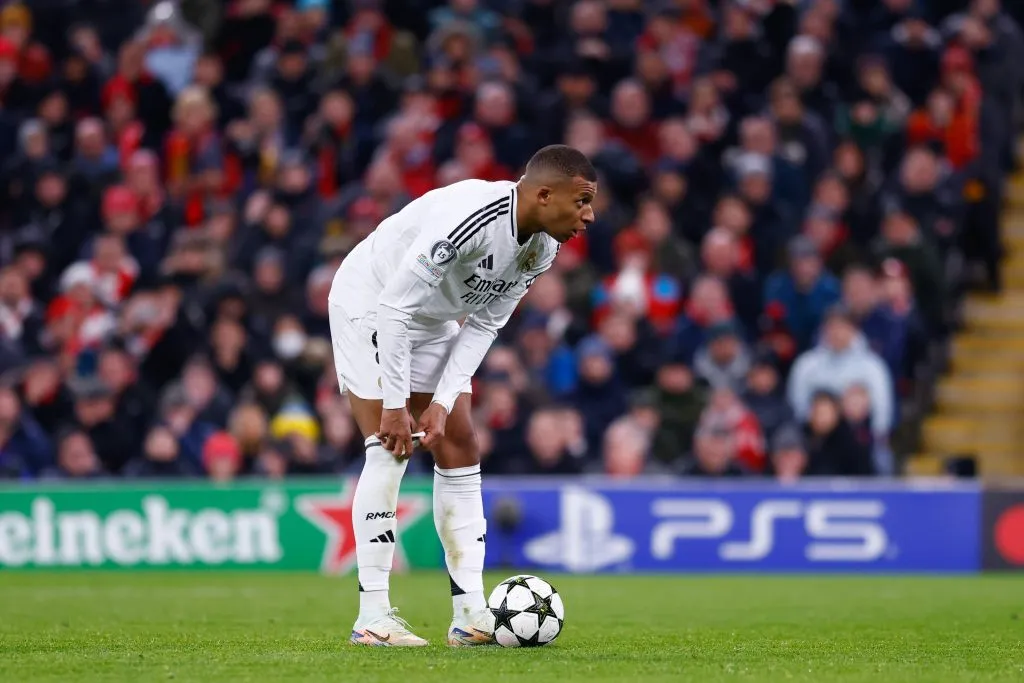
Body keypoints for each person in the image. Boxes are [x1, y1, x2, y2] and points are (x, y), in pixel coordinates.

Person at [327, 145, 597, 647]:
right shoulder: (471, 222)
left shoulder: (543, 247)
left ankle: (471, 614)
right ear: (543, 194)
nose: (589, 214)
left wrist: (443, 401)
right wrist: (394, 405)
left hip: (432, 317)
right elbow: (393, 310)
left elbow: (485, 324)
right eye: (581, 201)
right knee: (390, 445)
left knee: (459, 441)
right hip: (372, 302)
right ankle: (373, 617)